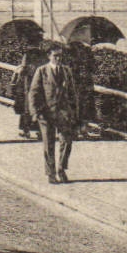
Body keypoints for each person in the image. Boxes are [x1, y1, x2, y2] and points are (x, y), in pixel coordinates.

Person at [27, 42, 80, 183]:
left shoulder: (66, 71)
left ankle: (61, 169)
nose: (58, 59)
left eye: (60, 56)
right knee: (48, 144)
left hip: (63, 113)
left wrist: (74, 113)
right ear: (49, 56)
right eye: (55, 56)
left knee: (67, 141)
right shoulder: (42, 71)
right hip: (46, 113)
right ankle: (50, 173)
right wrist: (35, 112)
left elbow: (72, 94)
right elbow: (33, 92)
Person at [10, 48, 43, 139]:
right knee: (39, 106)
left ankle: (26, 130)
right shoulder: (43, 54)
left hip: (28, 84)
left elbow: (23, 69)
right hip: (40, 84)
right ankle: (40, 131)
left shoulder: (28, 54)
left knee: (27, 108)